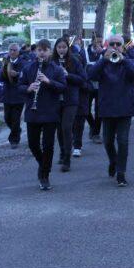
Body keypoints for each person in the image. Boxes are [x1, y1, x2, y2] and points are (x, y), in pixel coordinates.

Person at [87, 35, 134, 187]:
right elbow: (91, 75)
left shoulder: (129, 62)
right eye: (112, 44)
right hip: (107, 108)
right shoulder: (102, 63)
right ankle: (113, 161)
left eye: (118, 44)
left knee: (123, 141)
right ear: (107, 45)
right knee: (108, 141)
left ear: (123, 47)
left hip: (125, 108)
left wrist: (124, 60)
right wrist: (103, 60)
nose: (115, 46)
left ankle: (121, 173)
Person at [18, 39, 67, 190]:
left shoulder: (56, 69)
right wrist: (28, 88)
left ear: (50, 51)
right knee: (33, 144)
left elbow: (63, 87)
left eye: (45, 50)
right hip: (33, 112)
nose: (42, 53)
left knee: (48, 145)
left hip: (50, 112)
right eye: (39, 50)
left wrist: (48, 81)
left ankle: (44, 175)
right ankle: (43, 164)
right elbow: (19, 86)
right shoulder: (28, 68)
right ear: (35, 51)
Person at [52, 37, 87, 172]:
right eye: (59, 47)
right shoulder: (52, 61)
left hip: (70, 99)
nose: (61, 50)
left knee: (66, 127)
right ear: (55, 48)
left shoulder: (74, 61)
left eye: (64, 47)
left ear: (68, 48)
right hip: (55, 99)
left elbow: (83, 78)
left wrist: (68, 75)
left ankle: (67, 158)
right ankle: (62, 152)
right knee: (59, 129)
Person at [0, 43, 26, 148]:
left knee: (15, 119)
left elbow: (25, 76)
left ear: (18, 52)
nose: (12, 52)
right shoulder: (5, 62)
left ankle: (14, 140)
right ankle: (17, 130)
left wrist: (17, 74)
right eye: (10, 50)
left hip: (18, 95)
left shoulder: (23, 62)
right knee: (7, 118)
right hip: (7, 94)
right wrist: (3, 73)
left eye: (14, 50)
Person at [86, 35, 104, 143]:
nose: (99, 43)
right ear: (92, 41)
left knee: (99, 110)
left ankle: (96, 133)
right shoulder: (85, 51)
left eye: (101, 41)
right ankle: (92, 126)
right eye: (97, 41)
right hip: (88, 84)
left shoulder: (104, 52)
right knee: (85, 109)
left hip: (100, 85)